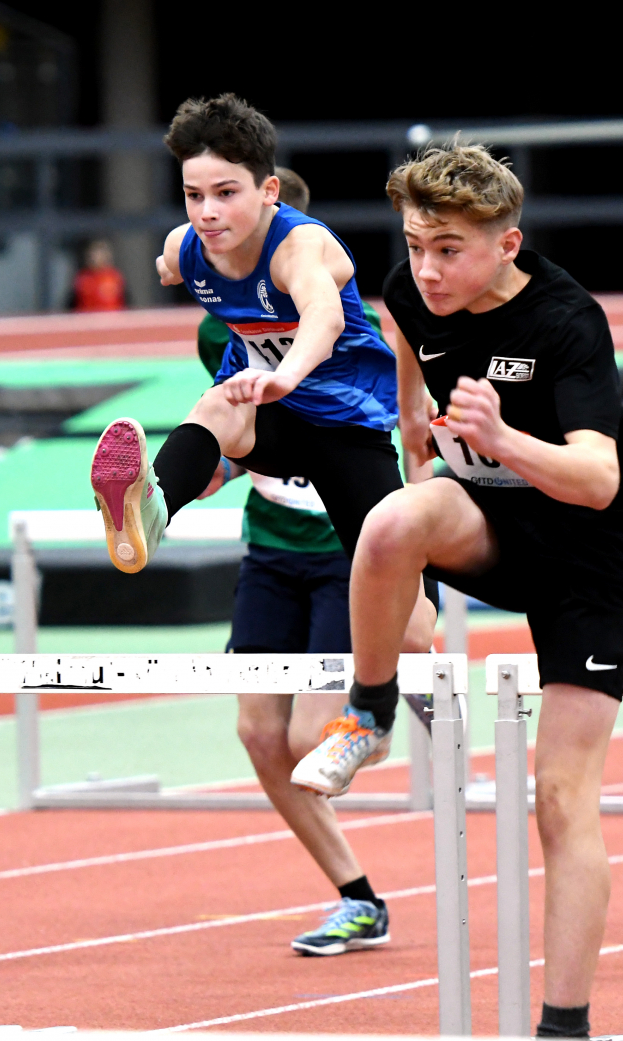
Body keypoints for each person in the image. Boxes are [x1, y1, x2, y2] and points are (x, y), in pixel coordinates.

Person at [292, 144, 623, 1036]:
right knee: (391, 523)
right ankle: (368, 714)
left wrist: (500, 439)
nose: (427, 269)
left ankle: (561, 1026)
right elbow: (404, 335)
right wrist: (412, 420)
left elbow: (597, 479)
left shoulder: (566, 320)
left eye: (449, 250)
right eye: (415, 244)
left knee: (561, 798)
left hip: (585, 547)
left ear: (506, 244)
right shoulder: (408, 289)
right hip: (490, 519)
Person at [89, 92, 436, 817]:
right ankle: (150, 509)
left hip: (344, 427)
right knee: (217, 407)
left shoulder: (300, 246)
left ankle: (383, 709)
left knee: (409, 619)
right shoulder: (189, 247)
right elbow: (169, 260)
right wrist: (169, 267)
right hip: (267, 418)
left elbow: (323, 315)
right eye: (193, 195)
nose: (207, 212)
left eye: (225, 193)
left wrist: (288, 374)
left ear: (268, 190)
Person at [195, 167, 395, 955]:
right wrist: (204, 469)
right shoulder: (219, 323)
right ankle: (357, 896)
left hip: (345, 555)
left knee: (314, 735)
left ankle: (386, 697)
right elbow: (238, 426)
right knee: (258, 732)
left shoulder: (339, 316)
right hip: (272, 550)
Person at [70, 239, 126, 311]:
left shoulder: (115, 277)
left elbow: (125, 302)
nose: (95, 257)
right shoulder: (82, 278)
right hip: (88, 316)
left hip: (111, 316)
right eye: (92, 254)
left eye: (99, 253)